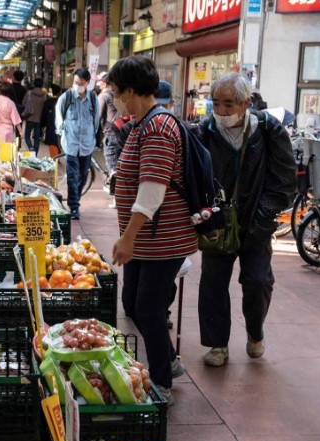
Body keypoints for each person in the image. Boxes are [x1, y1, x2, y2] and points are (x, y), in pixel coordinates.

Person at [108, 56, 197, 405]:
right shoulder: (142, 123)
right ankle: (167, 361)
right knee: (133, 303)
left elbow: (153, 190)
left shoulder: (158, 128)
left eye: (117, 91)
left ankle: (161, 381)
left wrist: (127, 237)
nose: (115, 98)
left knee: (146, 308)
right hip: (147, 240)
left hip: (162, 239)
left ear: (131, 91)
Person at [196, 74, 295, 367]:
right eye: (216, 103)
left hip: (256, 222)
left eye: (229, 104)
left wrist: (264, 214)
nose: (222, 111)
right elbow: (195, 175)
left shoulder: (268, 130)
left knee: (258, 281)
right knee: (213, 283)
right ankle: (217, 344)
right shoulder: (205, 130)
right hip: (217, 223)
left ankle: (255, 332)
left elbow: (285, 179)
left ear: (246, 103)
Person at [56, 68, 99, 219]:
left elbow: (96, 121)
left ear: (87, 83)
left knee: (83, 175)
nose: (77, 85)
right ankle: (74, 207)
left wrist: (93, 139)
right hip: (71, 143)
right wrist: (62, 133)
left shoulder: (93, 99)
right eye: (75, 82)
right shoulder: (66, 97)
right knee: (73, 175)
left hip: (87, 144)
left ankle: (76, 200)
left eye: (80, 83)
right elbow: (59, 116)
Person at [96, 72, 121, 194]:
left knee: (112, 166)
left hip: (110, 132)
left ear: (104, 83)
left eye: (99, 81)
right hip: (122, 132)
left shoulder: (103, 96)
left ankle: (117, 196)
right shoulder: (118, 94)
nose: (97, 83)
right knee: (119, 164)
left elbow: (97, 116)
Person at [23, 78, 47, 154]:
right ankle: (35, 154)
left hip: (30, 117)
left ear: (34, 84)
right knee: (37, 138)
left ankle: (30, 147)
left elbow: (24, 103)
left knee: (27, 136)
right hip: (39, 119)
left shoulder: (29, 93)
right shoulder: (44, 95)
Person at [41, 84, 62, 156]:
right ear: (59, 92)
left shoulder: (48, 102)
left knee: (52, 142)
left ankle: (54, 157)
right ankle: (57, 154)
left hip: (50, 125)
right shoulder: (62, 101)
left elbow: (44, 115)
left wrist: (43, 124)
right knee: (58, 140)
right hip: (61, 125)